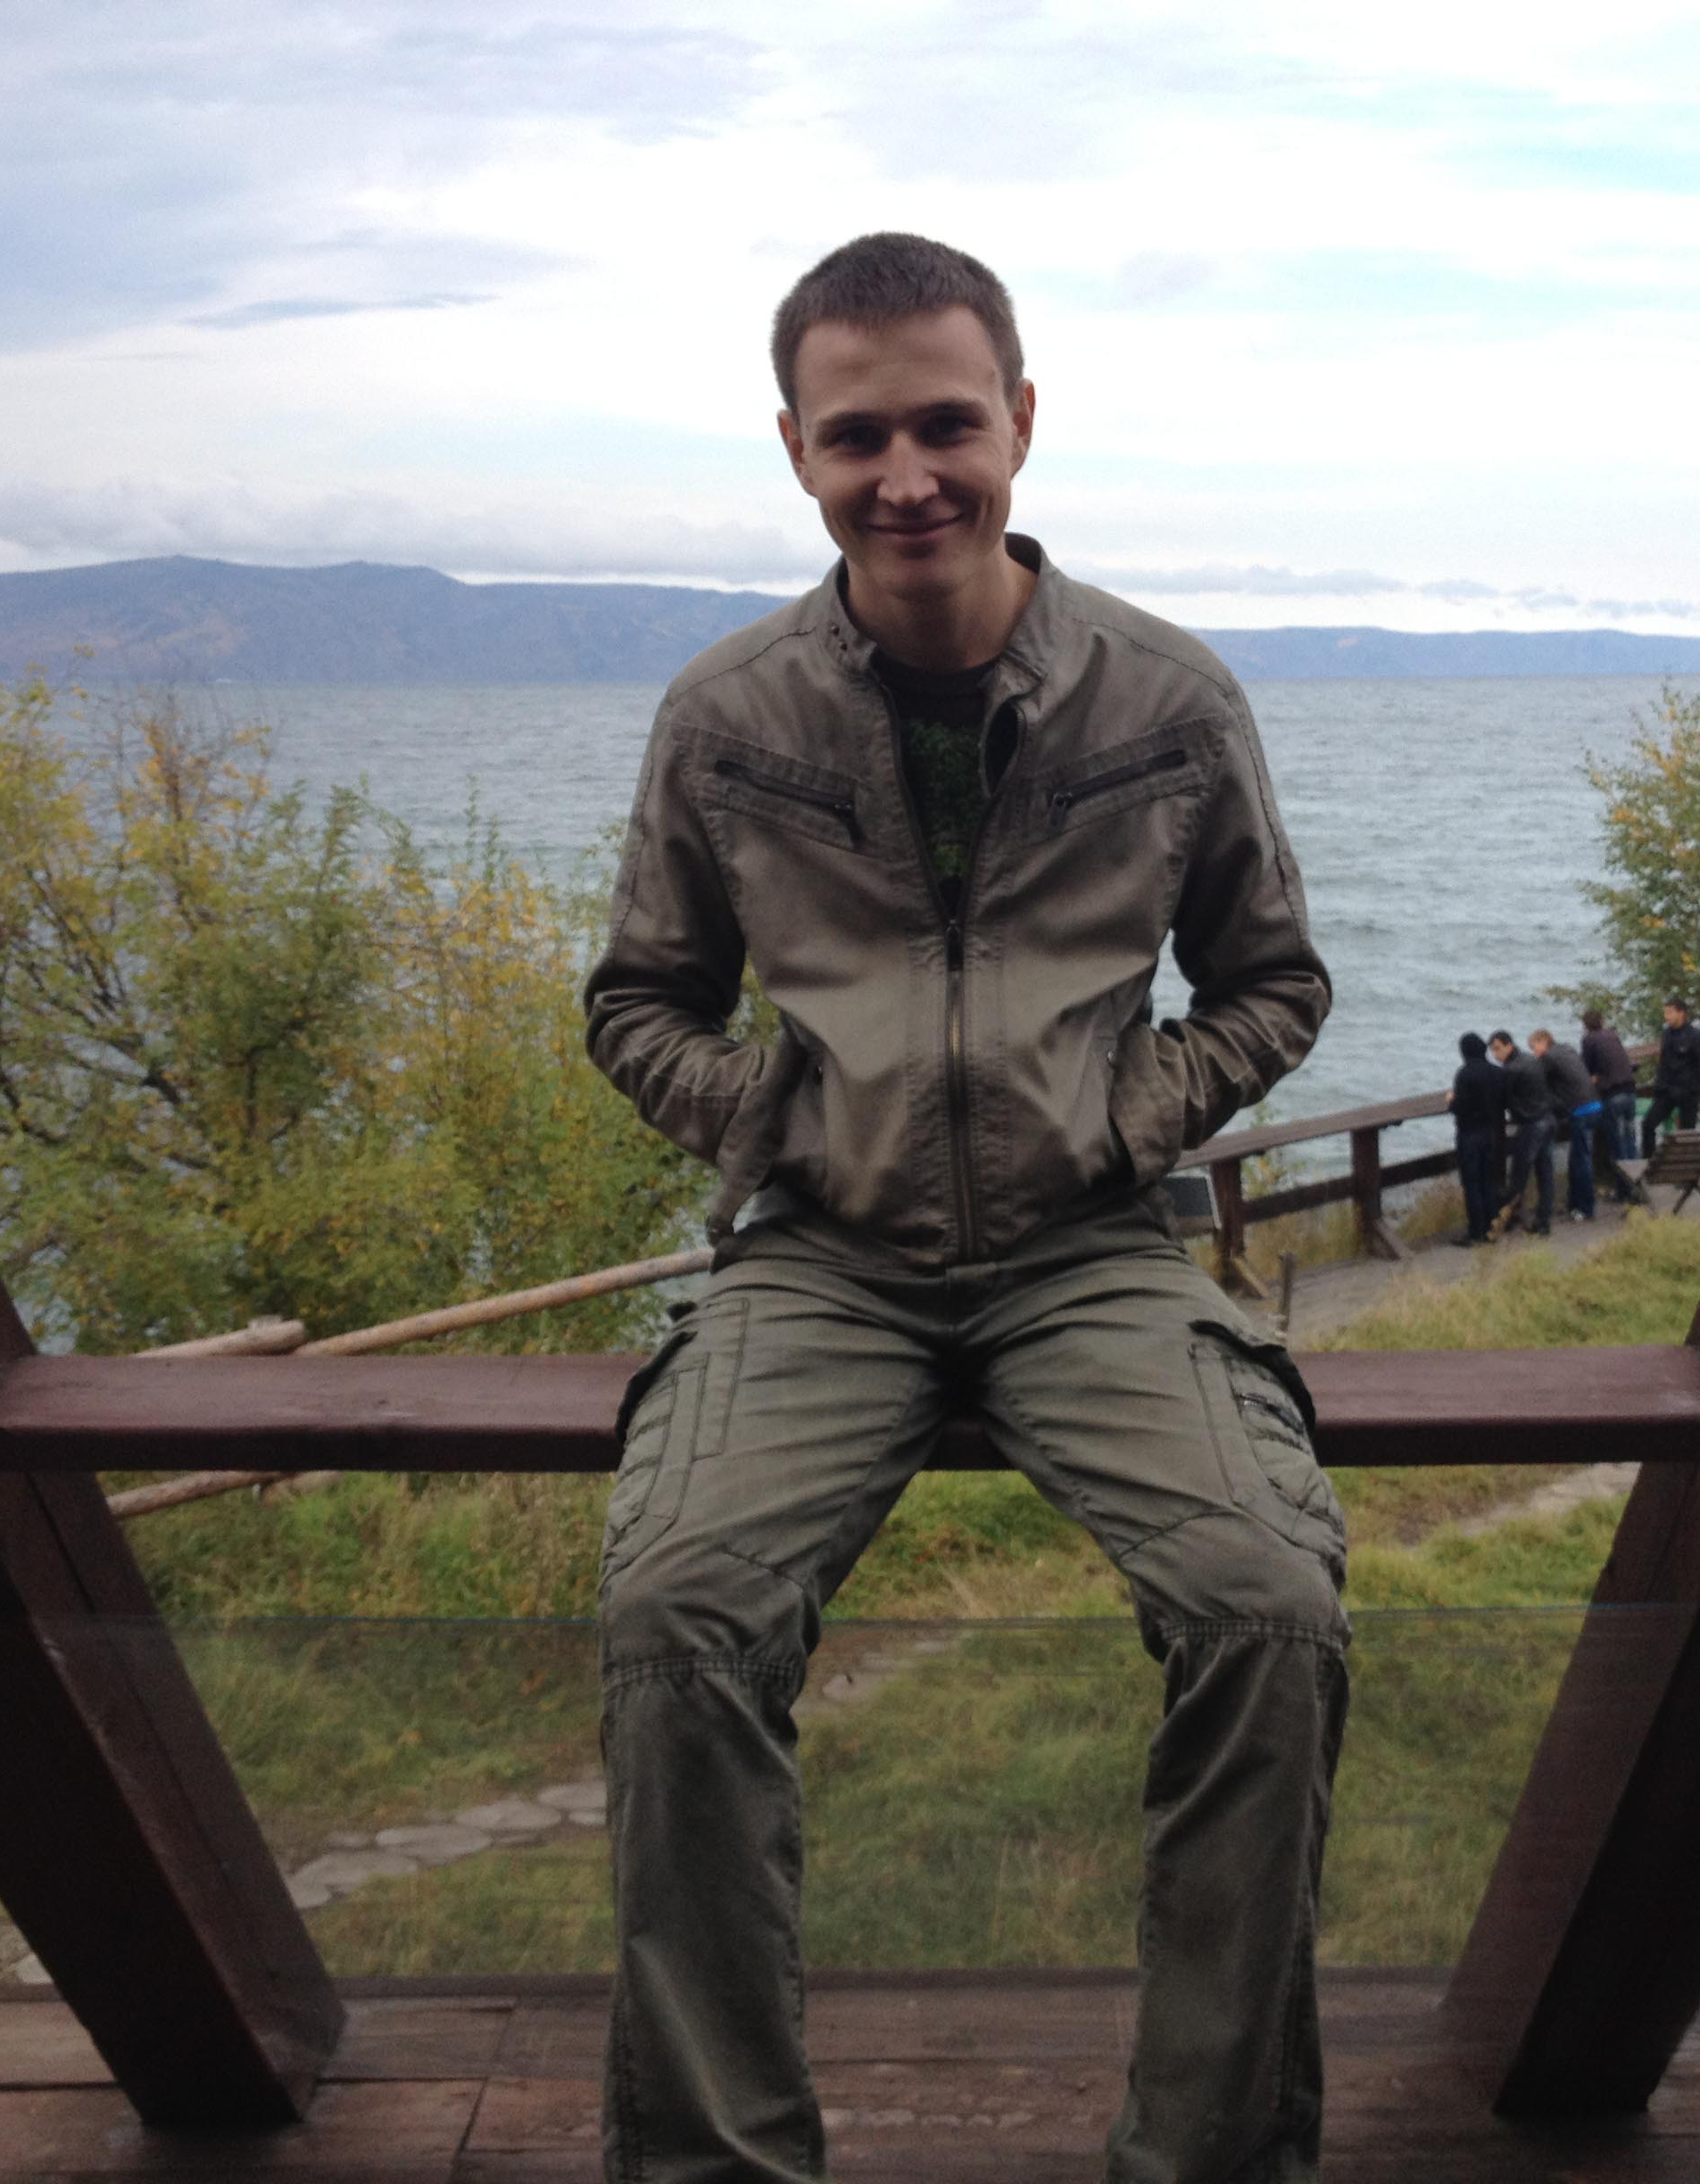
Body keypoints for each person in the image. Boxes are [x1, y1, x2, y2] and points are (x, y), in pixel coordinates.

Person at [581, 232, 1348, 2184]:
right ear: (794, 450)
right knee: (674, 1618)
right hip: (819, 1263)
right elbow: (637, 1002)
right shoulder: (728, 715)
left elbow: (1272, 981)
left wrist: (1120, 1116)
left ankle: (1209, 2158)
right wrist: (781, 1123)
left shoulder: (1166, 698)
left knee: (1265, 1607)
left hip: (1091, 1254)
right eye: (857, 437)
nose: (906, 475)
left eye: (944, 423)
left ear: (1019, 418)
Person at [1489, 1030, 1556, 1237]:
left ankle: (1502, 1220)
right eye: (1492, 1051)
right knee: (1545, 1174)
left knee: (1518, 1177)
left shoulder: (1511, 1070)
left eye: (1498, 1049)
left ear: (1509, 1045)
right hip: (1548, 1119)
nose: (1495, 1055)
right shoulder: (1532, 1060)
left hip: (1531, 1124)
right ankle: (1543, 1222)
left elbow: (1502, 1101)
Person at [1528, 1026, 1598, 1221]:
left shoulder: (1549, 1057)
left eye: (1534, 1047)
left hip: (1580, 1109)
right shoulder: (1567, 1049)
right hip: (1594, 1104)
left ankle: (1587, 1208)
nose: (1534, 1053)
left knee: (1582, 1160)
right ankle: (1574, 1205)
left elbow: (1535, 1078)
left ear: (1544, 1041)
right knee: (1577, 1158)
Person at [1447, 1030, 1508, 1245]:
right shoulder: (1497, 1072)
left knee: (1472, 1183)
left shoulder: (1465, 1074)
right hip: (1492, 1133)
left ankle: (1476, 1231)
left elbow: (1460, 1107)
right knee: (1488, 1181)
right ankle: (1492, 1226)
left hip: (1470, 1135)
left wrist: (1451, 1101)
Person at [1579, 1008, 1637, 1197]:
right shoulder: (1613, 1035)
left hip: (1612, 1093)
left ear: (1585, 1026)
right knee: (1630, 1140)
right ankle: (1636, 1185)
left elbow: (1587, 1070)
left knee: (1618, 1145)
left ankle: (1624, 1190)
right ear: (1602, 1021)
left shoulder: (1589, 1040)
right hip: (1630, 1090)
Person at [1645, 997, 1700, 1155]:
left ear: (1681, 1013)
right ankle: (1648, 1159)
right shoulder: (1666, 1034)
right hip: (1666, 1091)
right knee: (1648, 1124)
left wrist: (1694, 1089)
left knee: (1687, 1133)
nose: (1666, 1016)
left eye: (1670, 1012)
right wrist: (1660, 1085)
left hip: (1687, 1092)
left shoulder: (1695, 1036)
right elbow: (1663, 1062)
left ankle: (1686, 1162)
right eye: (1665, 1013)